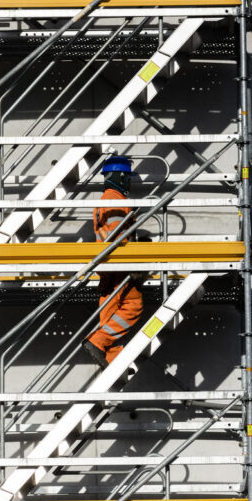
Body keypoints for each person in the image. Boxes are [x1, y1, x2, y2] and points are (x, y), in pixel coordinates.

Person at [82, 156, 144, 367]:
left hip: (109, 265)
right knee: (133, 304)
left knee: (110, 310)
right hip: (117, 263)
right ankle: (98, 341)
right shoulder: (115, 200)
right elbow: (117, 236)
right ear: (119, 176)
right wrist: (132, 263)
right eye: (127, 177)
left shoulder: (108, 198)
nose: (129, 182)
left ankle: (110, 353)